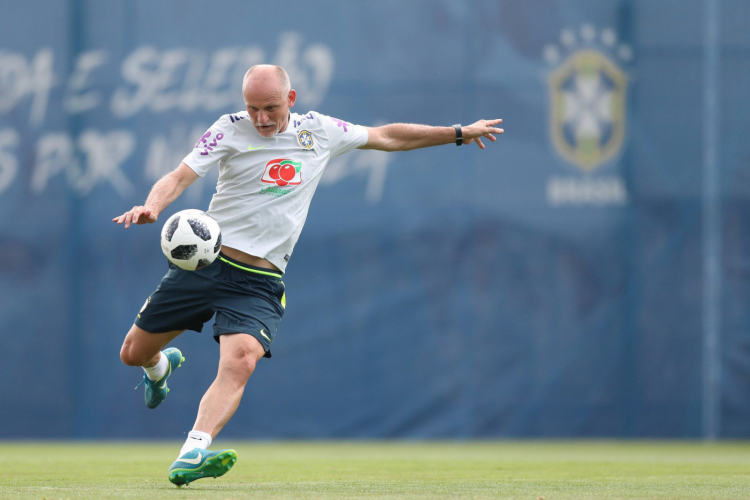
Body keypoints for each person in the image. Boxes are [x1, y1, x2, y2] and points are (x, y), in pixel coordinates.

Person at [113, 64, 503, 486]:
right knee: (132, 354)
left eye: (270, 108)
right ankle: (159, 369)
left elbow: (387, 136)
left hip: (258, 282)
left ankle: (192, 452)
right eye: (252, 108)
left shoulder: (318, 131)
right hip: (206, 264)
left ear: (291, 99)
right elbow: (179, 176)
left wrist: (458, 132)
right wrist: (153, 206)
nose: (261, 118)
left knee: (242, 360)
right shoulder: (227, 129)